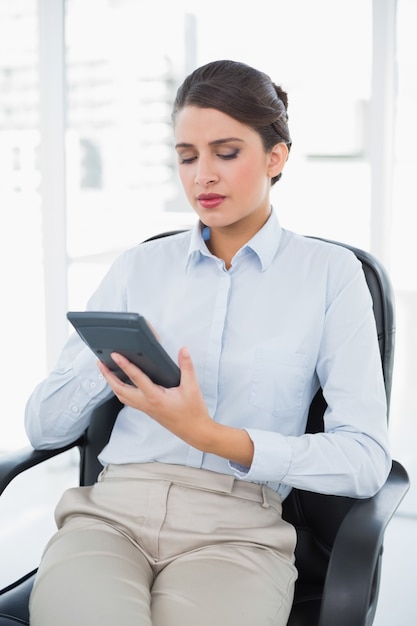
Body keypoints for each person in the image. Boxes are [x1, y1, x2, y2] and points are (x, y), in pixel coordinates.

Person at [25, 59, 391, 626]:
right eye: (187, 156)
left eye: (226, 152)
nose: (203, 176)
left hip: (237, 530)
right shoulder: (139, 267)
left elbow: (366, 461)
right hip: (111, 516)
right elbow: (44, 428)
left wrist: (213, 436)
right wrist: (103, 368)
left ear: (276, 157)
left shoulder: (331, 275)